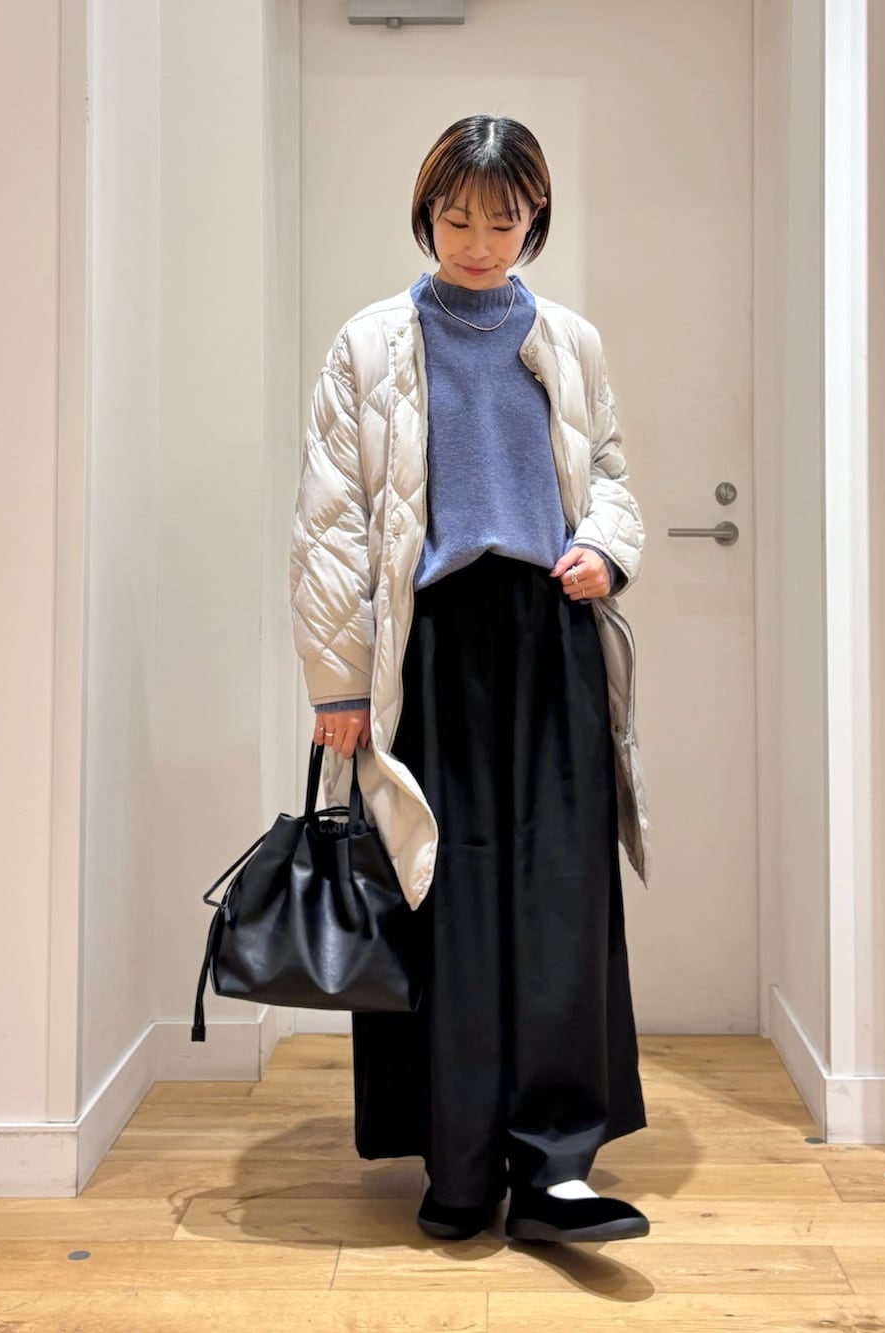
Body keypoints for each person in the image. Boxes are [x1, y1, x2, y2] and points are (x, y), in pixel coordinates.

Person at [290, 114, 651, 1245]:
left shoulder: (570, 339)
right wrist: (338, 682)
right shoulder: (369, 345)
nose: (480, 243)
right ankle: (456, 1164)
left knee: (561, 897)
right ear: (426, 214)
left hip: (551, 637)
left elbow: (610, 473)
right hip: (429, 646)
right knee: (439, 892)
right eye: (457, 219)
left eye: (503, 221)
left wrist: (606, 547)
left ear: (535, 218)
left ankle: (554, 1168)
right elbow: (330, 521)